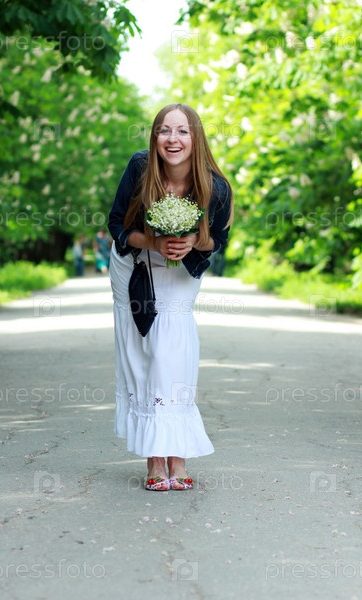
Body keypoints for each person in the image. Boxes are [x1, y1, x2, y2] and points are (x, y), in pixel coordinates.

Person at [108, 103, 233, 491]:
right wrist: (153, 242)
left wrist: (193, 240)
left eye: (182, 131)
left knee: (170, 351)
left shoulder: (215, 187)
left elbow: (218, 240)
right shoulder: (140, 167)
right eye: (164, 130)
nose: (172, 139)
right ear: (154, 137)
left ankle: (177, 456)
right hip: (135, 267)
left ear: (196, 137)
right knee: (143, 350)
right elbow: (116, 225)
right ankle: (154, 459)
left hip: (181, 269)